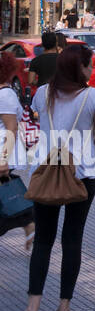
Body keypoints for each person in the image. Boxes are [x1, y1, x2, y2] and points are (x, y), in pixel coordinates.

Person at [10, 44, 95, 311]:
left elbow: (41, 121)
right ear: (80, 68)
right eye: (90, 64)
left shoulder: (43, 93)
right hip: (83, 175)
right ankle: (64, 309)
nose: (92, 69)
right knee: (72, 239)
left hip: (47, 171)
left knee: (43, 239)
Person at [0, 51, 35, 251]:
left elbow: (11, 127)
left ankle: (29, 223)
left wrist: (3, 159)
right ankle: (29, 224)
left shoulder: (4, 95)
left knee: (6, 193)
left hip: (3, 151)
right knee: (6, 193)